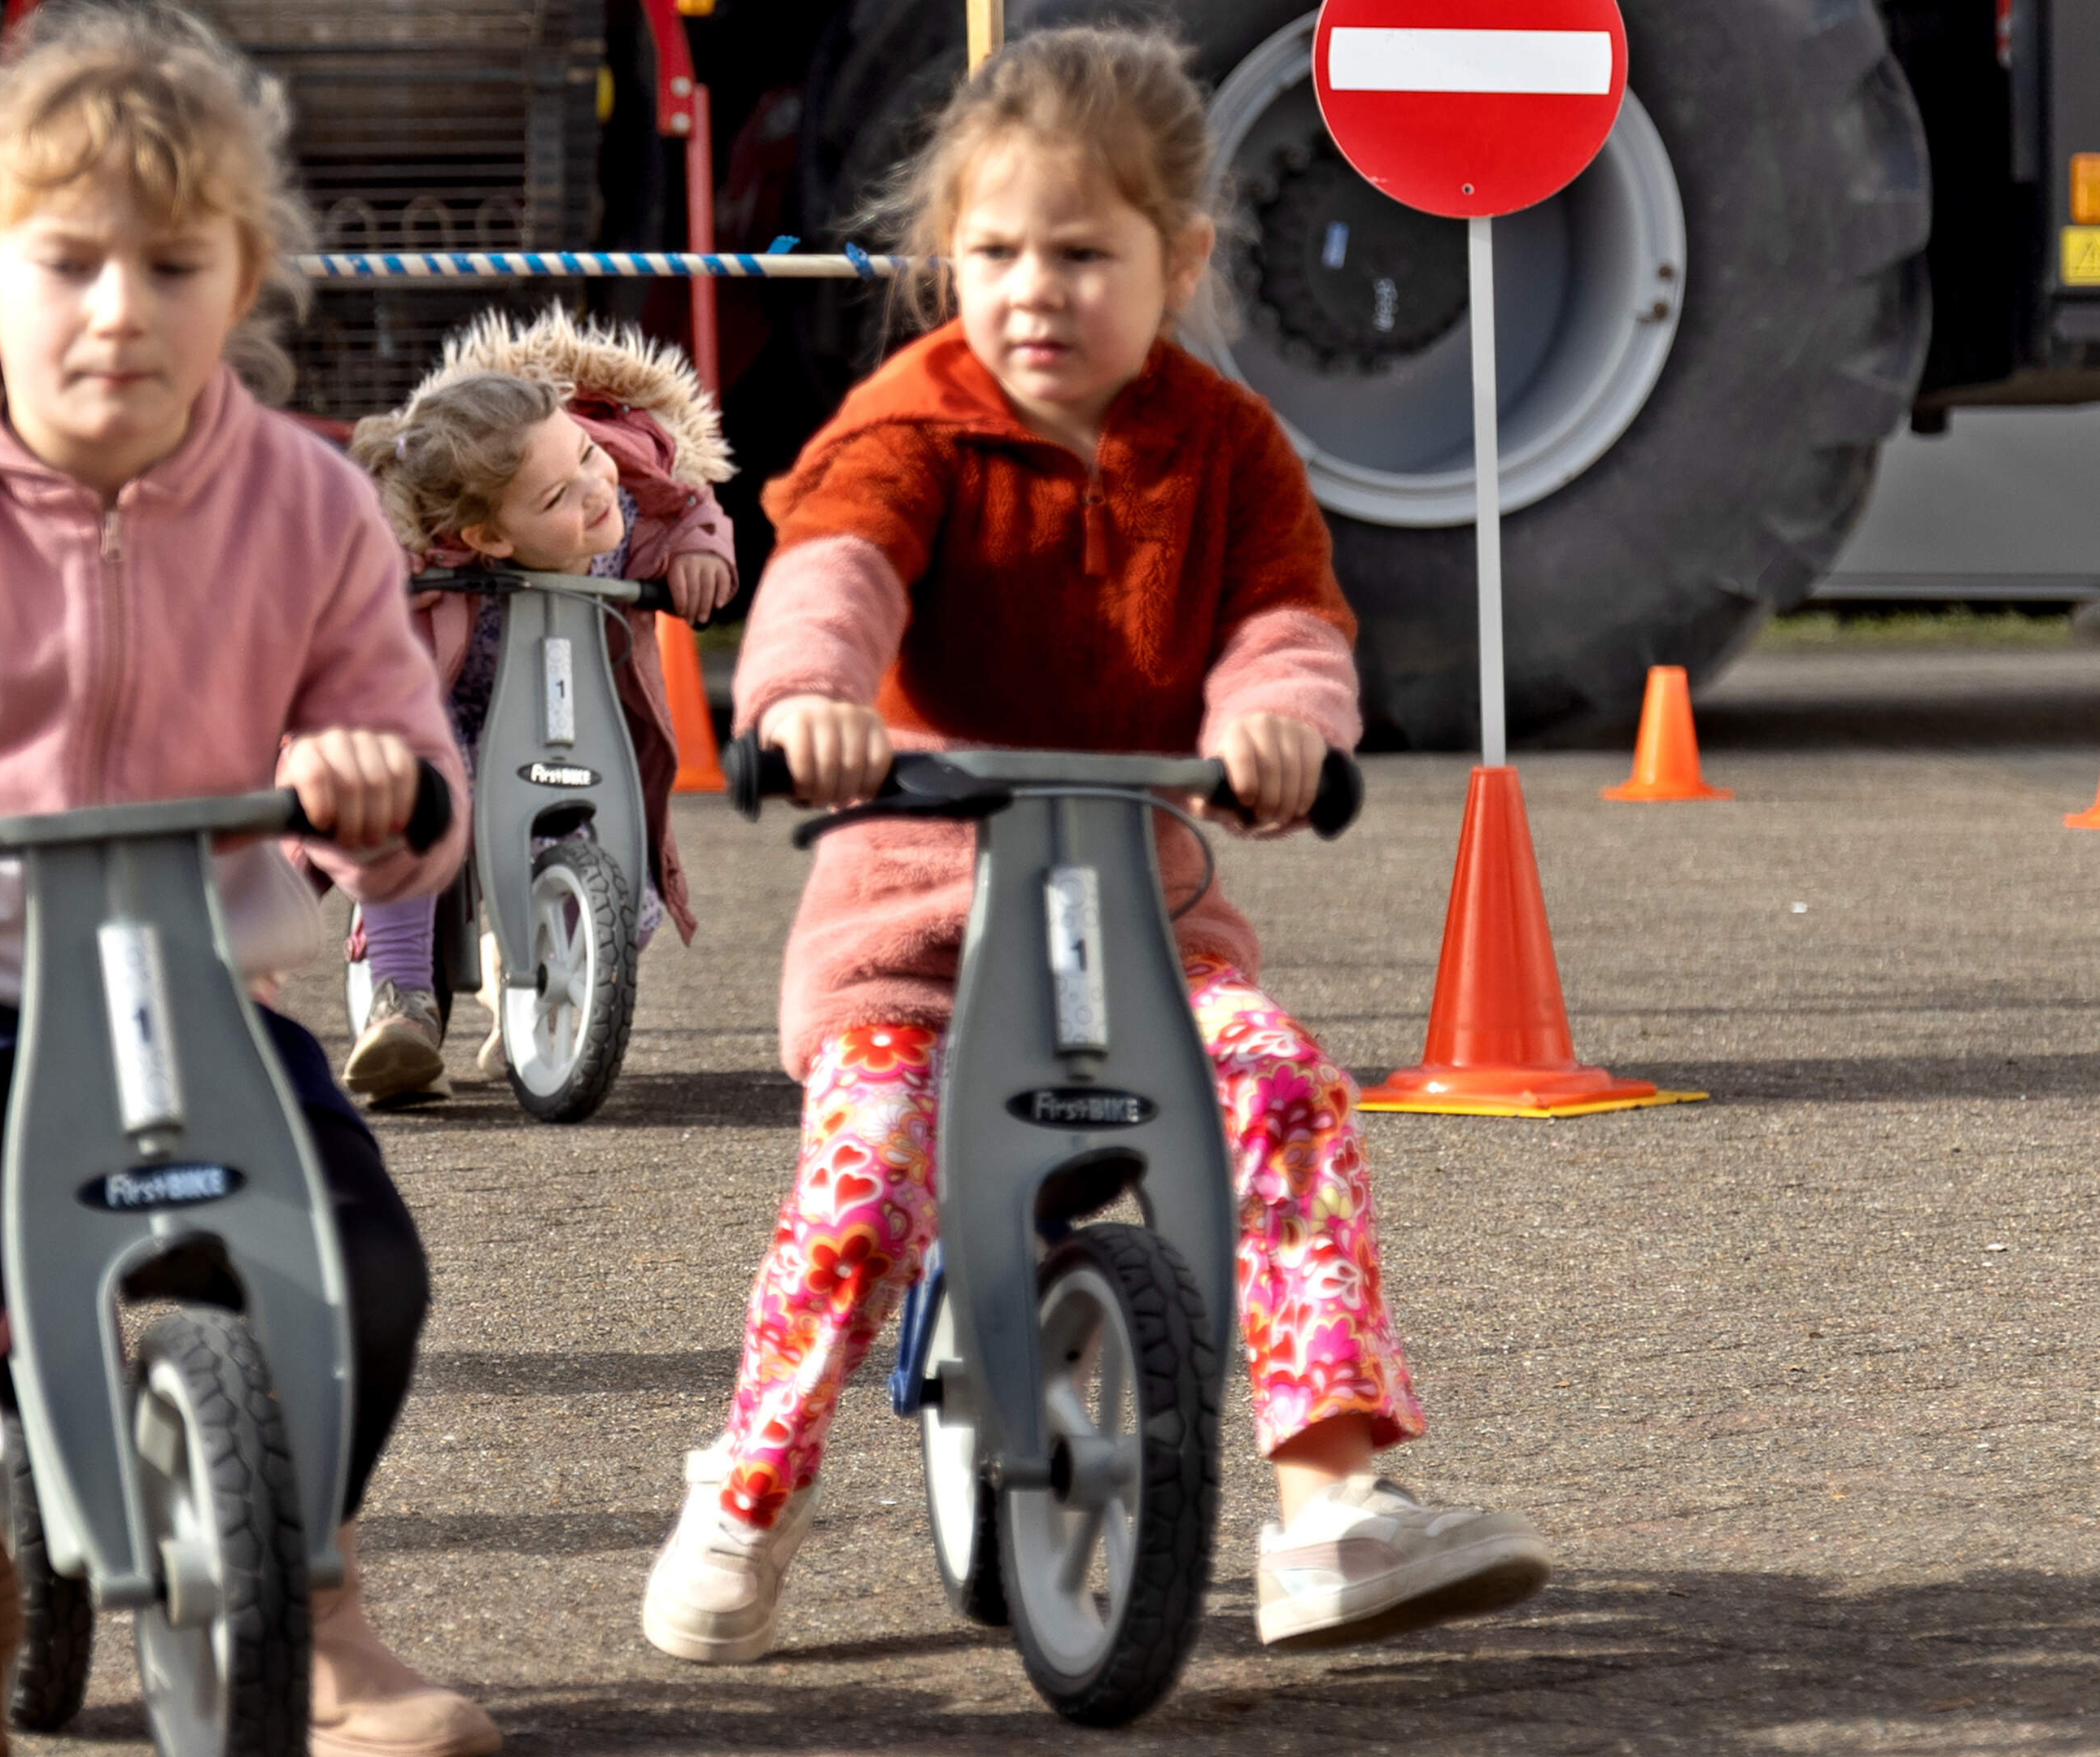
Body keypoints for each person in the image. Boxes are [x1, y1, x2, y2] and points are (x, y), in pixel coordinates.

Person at [639, 24, 1551, 1665]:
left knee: (1275, 1080)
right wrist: (804, 702)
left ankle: (1332, 1506)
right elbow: (835, 569)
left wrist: (1284, 722)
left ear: (1180, 260)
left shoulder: (1228, 448)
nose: (1034, 291)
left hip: (1146, 915)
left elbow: (1288, 618)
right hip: (916, 930)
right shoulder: (913, 421)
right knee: (861, 1192)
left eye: (1082, 252)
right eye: (994, 252)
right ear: (947, 261)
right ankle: (746, 1492)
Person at [0, 9, 503, 1753]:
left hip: (185, 978)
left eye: (170, 265)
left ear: (242, 280)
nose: (117, 309)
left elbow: (413, 773)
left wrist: (379, 797)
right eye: (68, 264)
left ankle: (323, 1605)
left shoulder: (307, 507)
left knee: (360, 1256)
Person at [337, 310, 739, 1102]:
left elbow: (688, 507)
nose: (596, 491)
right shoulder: (424, 543)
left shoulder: (621, 506)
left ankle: (532, 986)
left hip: (566, 721)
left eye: (590, 454)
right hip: (444, 712)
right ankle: (402, 1000)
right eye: (559, 493)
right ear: (485, 536)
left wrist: (699, 553)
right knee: (408, 808)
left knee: (620, 870)